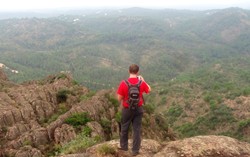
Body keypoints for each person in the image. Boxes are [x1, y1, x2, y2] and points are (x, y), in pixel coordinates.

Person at [116, 64, 151, 156]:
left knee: (124, 128)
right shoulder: (141, 83)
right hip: (138, 109)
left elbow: (119, 98)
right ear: (138, 72)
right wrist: (143, 80)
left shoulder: (124, 83)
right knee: (137, 129)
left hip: (127, 109)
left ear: (129, 71)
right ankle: (135, 150)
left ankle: (124, 146)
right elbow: (149, 90)